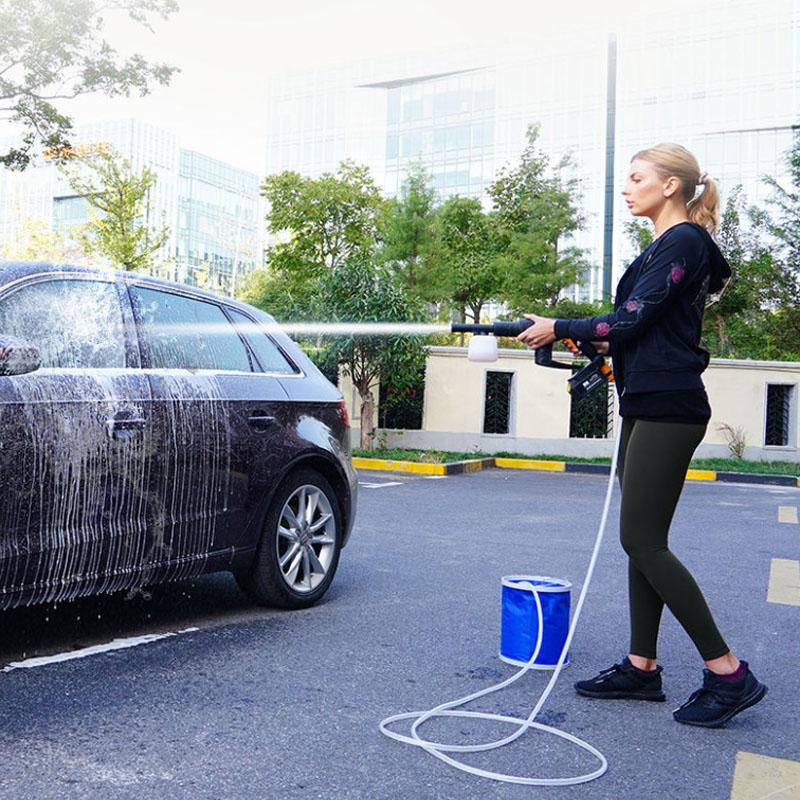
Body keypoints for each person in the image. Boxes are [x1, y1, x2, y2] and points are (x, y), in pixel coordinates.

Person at [517, 143, 767, 728]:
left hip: (669, 407)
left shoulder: (684, 242)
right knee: (641, 539)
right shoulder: (664, 247)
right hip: (647, 401)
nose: (626, 188)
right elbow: (633, 330)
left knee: (644, 541)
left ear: (672, 186)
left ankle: (728, 672)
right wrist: (588, 340)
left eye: (636, 178)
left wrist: (563, 325)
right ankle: (641, 665)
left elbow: (628, 320)